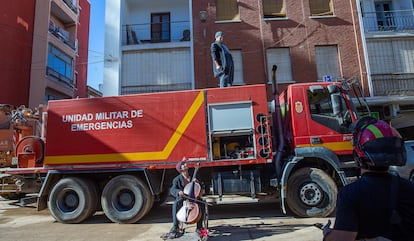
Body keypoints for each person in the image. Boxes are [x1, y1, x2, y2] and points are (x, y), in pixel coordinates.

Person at [323, 116, 414, 241]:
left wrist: (328, 234)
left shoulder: (351, 194)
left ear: (358, 155)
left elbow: (344, 237)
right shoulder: (409, 188)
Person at [164, 159, 205, 239]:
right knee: (175, 204)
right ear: (181, 169)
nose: (186, 164)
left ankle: (199, 227)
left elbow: (203, 187)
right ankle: (175, 227)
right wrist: (179, 192)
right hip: (183, 198)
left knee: (202, 203)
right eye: (183, 164)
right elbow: (172, 189)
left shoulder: (194, 176)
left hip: (195, 198)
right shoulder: (176, 179)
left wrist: (198, 183)